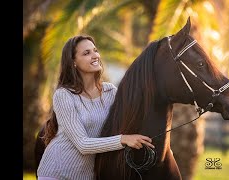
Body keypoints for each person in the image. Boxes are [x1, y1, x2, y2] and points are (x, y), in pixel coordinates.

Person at [37, 35, 155, 180]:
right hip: (56, 173)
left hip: (87, 176)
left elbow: (131, 118)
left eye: (95, 50)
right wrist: (123, 139)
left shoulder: (110, 92)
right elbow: (83, 144)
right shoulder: (64, 95)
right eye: (86, 53)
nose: (95, 56)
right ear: (73, 62)